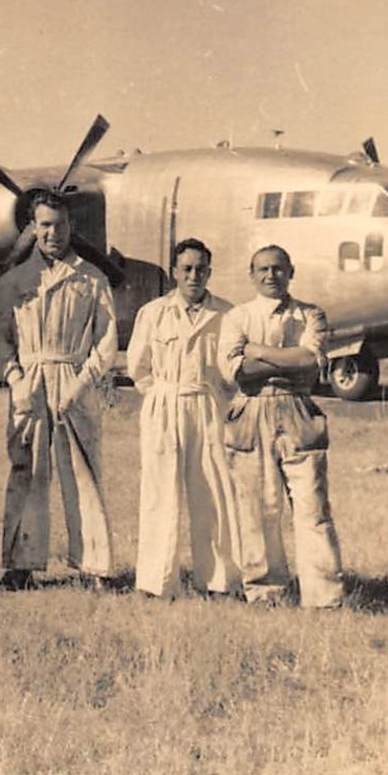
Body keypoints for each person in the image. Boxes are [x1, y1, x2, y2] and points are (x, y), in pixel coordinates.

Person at [0, 190, 118, 591]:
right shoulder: (14, 281)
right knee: (27, 471)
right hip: (29, 382)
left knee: (83, 473)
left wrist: (81, 384)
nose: (52, 233)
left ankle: (95, 566)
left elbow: (106, 339)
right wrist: (15, 380)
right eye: (44, 225)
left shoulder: (91, 278)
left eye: (60, 225)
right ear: (33, 228)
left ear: (71, 227)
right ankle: (20, 564)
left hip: (74, 381)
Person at [217, 245, 347, 608]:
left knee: (312, 508)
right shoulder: (237, 317)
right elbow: (236, 372)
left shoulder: (310, 315)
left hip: (298, 411)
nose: (270, 275)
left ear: (291, 272)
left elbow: (309, 362)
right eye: (262, 269)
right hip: (250, 412)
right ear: (251, 274)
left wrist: (256, 351)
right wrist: (283, 361)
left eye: (278, 269)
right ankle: (265, 592)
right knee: (258, 509)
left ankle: (323, 597)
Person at [126, 238, 243, 599]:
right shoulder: (154, 312)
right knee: (160, 494)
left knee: (212, 492)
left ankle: (218, 580)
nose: (194, 276)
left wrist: (220, 403)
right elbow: (138, 366)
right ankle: (156, 582)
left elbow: (232, 371)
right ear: (175, 271)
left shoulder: (226, 314)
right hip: (164, 403)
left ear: (210, 271)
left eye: (201, 269)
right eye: (187, 269)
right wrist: (160, 398)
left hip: (206, 404)